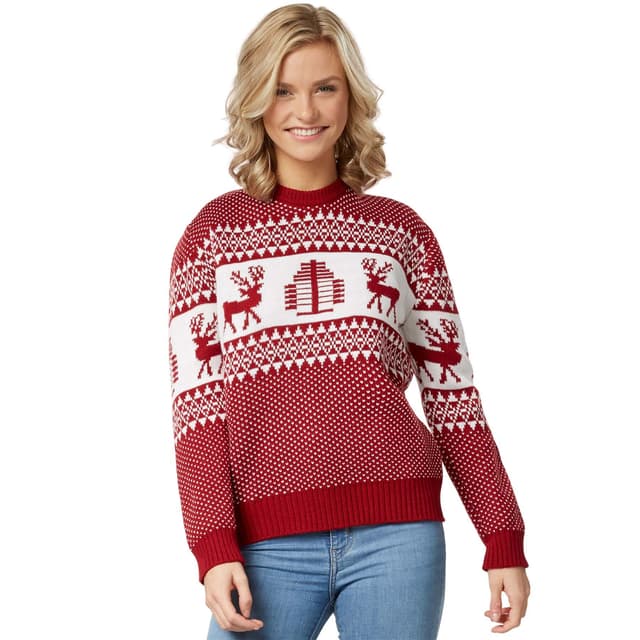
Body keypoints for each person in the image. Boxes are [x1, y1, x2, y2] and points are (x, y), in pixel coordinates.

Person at [168, 4, 530, 639]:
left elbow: (453, 397)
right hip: (264, 547)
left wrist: (502, 535)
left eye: (325, 88)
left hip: (399, 538)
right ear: (256, 100)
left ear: (351, 97)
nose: (305, 111)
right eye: (283, 90)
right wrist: (212, 544)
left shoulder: (400, 234)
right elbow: (197, 413)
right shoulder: (212, 239)